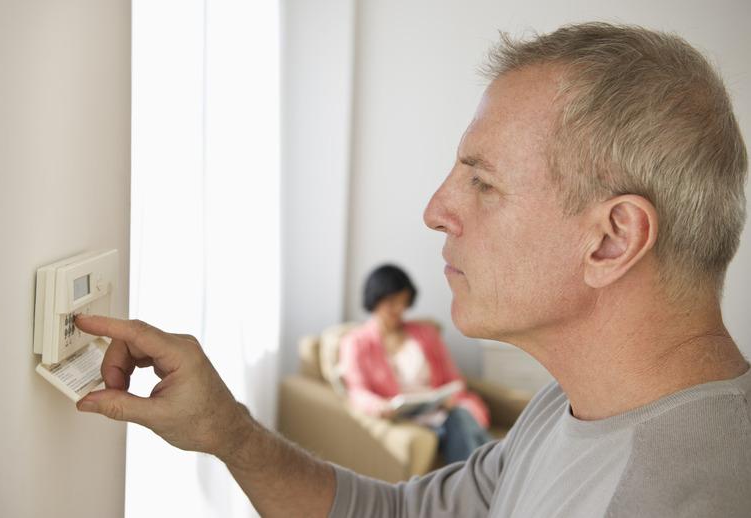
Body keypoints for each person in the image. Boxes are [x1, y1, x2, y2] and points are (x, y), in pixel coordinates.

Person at [73, 22, 751, 517]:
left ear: (611, 240)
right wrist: (228, 432)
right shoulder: (572, 406)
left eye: (483, 184)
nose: (435, 210)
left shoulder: (683, 495)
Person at [339, 264, 491, 464]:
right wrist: (381, 407)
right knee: (464, 425)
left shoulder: (426, 333)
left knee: (460, 418)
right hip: (405, 417)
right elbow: (357, 391)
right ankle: (498, 476)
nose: (399, 309)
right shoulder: (356, 342)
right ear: (375, 299)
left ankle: (486, 480)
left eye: (404, 302)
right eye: (392, 302)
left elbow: (454, 378)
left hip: (440, 411)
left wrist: (450, 397)